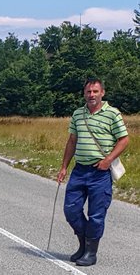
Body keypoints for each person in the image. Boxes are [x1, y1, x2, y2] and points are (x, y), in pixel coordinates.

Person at [57, 78, 129, 266]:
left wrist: (108, 160)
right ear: (84, 94)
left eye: (95, 91)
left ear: (102, 93)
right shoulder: (78, 114)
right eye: (88, 92)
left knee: (97, 214)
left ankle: (91, 252)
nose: (91, 95)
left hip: (100, 173)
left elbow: (124, 140)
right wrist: (64, 166)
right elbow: (72, 141)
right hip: (79, 170)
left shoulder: (112, 114)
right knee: (71, 210)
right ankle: (83, 244)